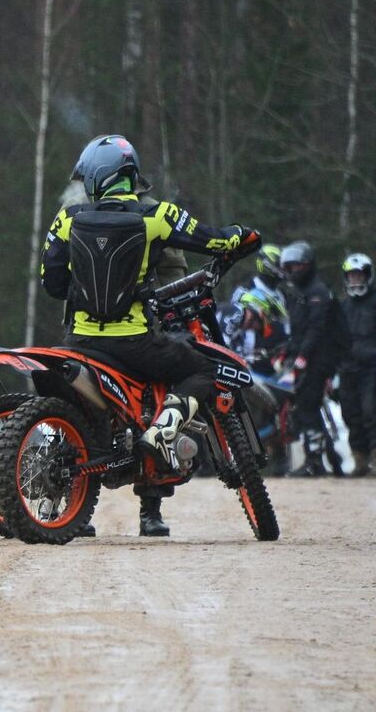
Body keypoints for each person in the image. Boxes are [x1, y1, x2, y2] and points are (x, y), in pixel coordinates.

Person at [39, 134, 260, 537]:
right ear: (131, 176)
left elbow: (51, 283)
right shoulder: (157, 216)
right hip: (136, 341)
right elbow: (214, 239)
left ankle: (65, 507)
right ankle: (155, 477)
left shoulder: (66, 219)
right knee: (196, 374)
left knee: (75, 412)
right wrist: (243, 235)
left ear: (94, 178)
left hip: (78, 342)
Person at [279, 240, 344, 476]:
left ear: (307, 265)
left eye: (295, 266)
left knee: (307, 407)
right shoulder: (300, 294)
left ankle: (315, 462)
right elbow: (298, 330)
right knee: (306, 408)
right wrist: (288, 352)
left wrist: (302, 358)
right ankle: (329, 459)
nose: (291, 272)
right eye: (288, 267)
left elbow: (316, 330)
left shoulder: (317, 292)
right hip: (306, 356)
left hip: (318, 360)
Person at [335, 252, 376, 476]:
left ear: (368, 276)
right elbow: (334, 340)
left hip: (373, 370)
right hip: (347, 370)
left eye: (359, 276)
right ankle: (359, 460)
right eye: (351, 276)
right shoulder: (342, 308)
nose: (355, 281)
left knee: (373, 413)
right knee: (351, 414)